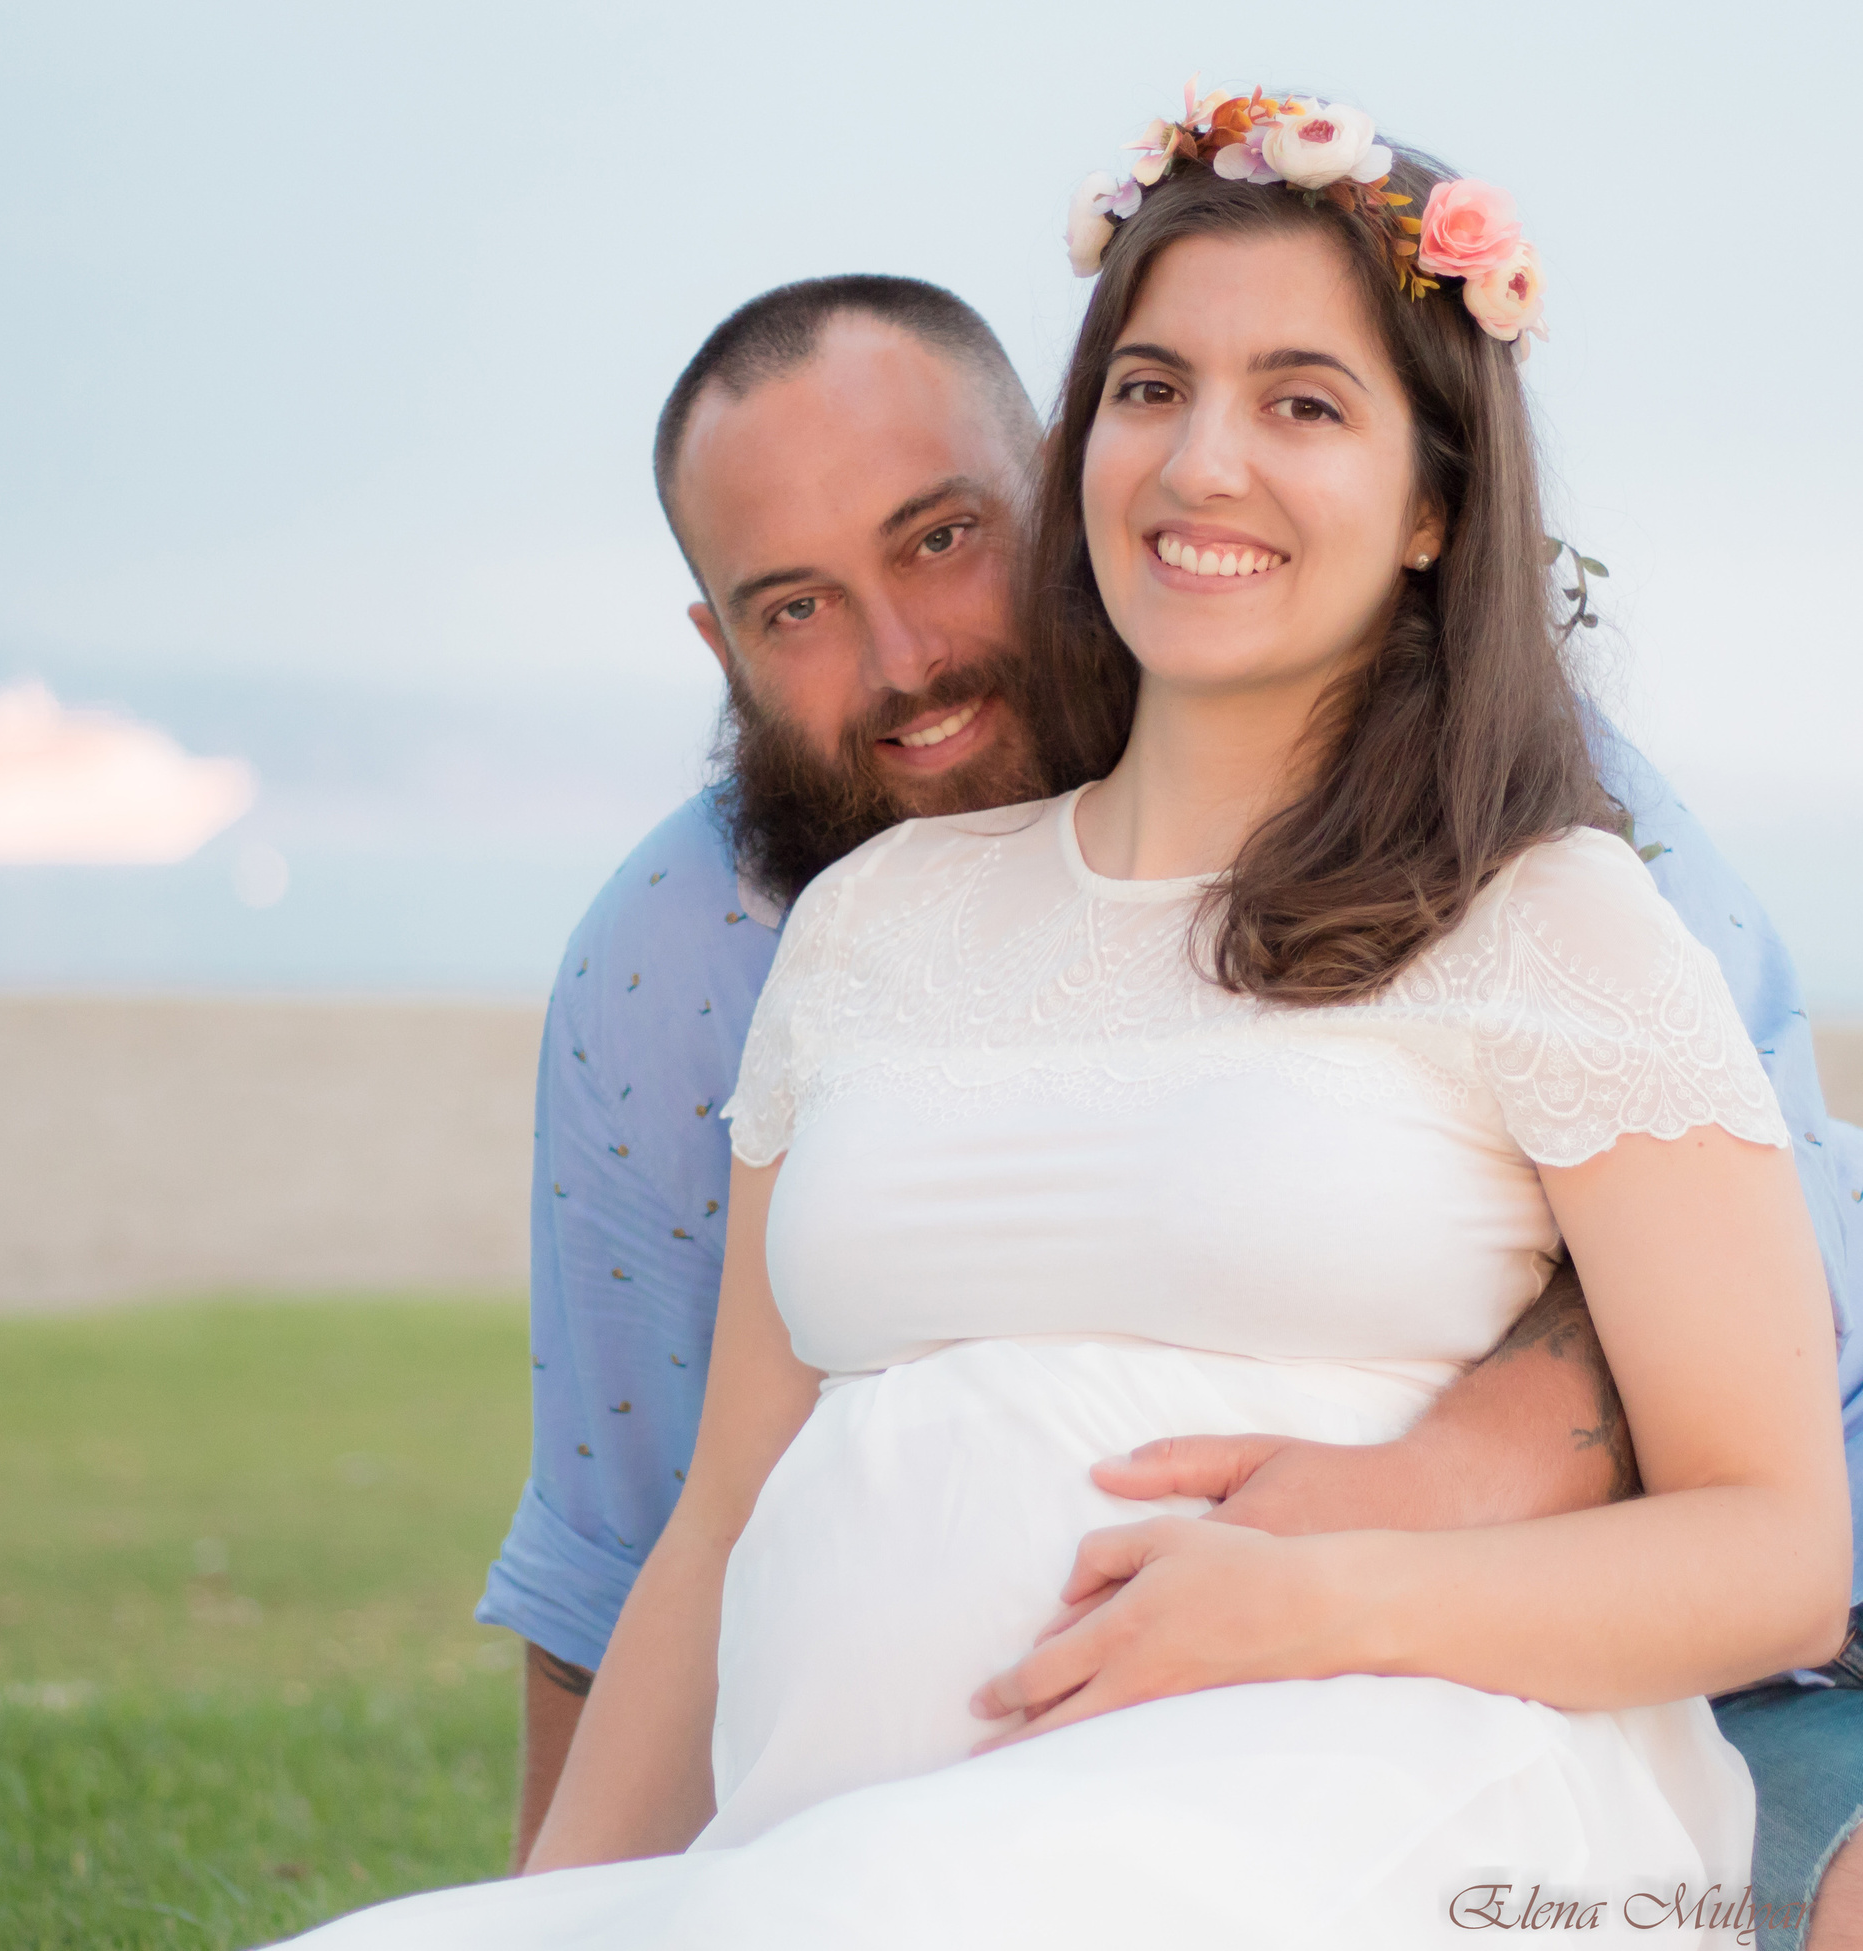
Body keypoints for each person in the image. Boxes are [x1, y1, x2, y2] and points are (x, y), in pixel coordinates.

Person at [287, 92, 1859, 1947]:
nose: (1204, 463)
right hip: (875, 1821)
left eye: (1303, 401)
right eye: (1150, 388)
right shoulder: (862, 925)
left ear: (1434, 505)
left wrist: (1324, 1598)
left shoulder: (1549, 909)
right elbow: (712, 1520)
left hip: (1382, 1778)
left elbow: (1779, 1552)